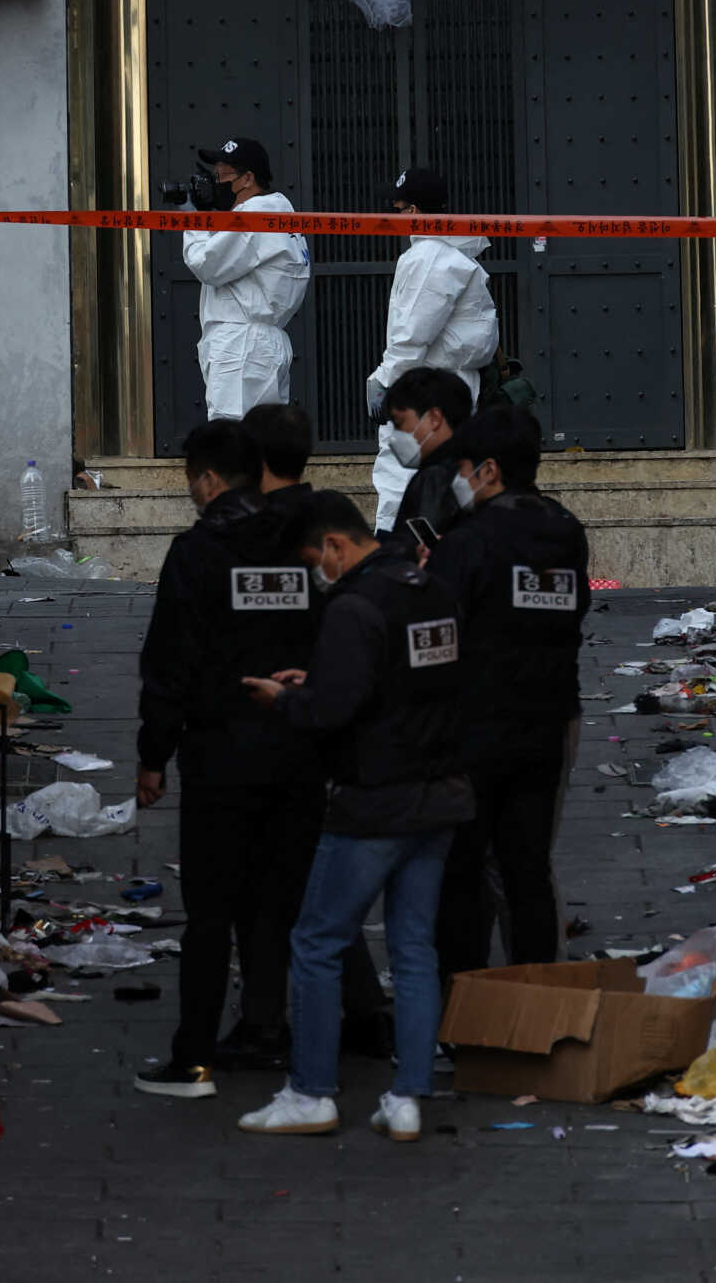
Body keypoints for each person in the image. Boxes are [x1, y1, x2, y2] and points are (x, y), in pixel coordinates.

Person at [237, 492, 472, 1140]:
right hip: (442, 791)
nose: (319, 570)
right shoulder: (431, 587)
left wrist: (285, 698)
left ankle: (311, 1090)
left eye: (317, 559)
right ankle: (408, 1096)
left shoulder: (353, 605)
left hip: (375, 799)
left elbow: (330, 713)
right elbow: (403, 679)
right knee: (415, 947)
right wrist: (321, 678)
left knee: (316, 941)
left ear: (336, 546)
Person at [132, 421, 323, 1097]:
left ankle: (193, 1054)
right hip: (298, 749)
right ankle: (267, 1029)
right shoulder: (304, 542)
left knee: (211, 910)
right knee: (275, 905)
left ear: (208, 479)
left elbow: (168, 663)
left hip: (219, 756)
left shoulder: (198, 551)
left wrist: (153, 754)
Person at [239, 401, 399, 1059]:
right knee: (329, 889)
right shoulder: (361, 548)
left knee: (282, 892)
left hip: (285, 727)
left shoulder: (250, 535)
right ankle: (370, 1018)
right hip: (352, 745)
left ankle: (280, 1038)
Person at [424, 407, 589, 980]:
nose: (460, 480)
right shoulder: (564, 530)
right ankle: (535, 998)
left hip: (474, 731)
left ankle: (465, 1006)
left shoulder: (467, 542)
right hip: (545, 723)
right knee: (526, 869)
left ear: (489, 470)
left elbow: (438, 631)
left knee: (462, 871)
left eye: (465, 469)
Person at [365, 168, 499, 533]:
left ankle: (397, 559)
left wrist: (384, 379)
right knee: (444, 481)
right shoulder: (451, 254)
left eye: (395, 210)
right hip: (448, 383)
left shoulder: (428, 257)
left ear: (411, 213)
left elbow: (411, 335)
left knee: (401, 479)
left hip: (425, 387)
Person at [181, 138, 312, 421]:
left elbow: (205, 263)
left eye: (221, 177)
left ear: (248, 179)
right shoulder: (279, 212)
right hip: (262, 342)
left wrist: (193, 219)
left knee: (231, 442)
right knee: (262, 444)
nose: (215, 185)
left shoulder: (254, 214)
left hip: (241, 345)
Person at [384, 366, 475, 555]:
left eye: (400, 423)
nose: (396, 436)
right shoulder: (476, 468)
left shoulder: (435, 477)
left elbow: (419, 549)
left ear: (434, 418)